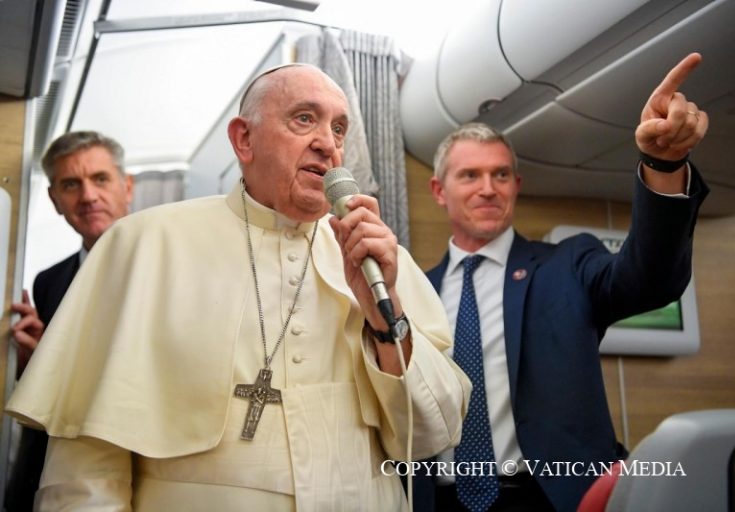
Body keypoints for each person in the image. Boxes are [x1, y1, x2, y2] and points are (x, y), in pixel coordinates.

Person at [6, 63, 471, 511]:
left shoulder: (380, 262)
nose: (327, 143)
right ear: (244, 139)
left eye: (338, 129)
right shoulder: (144, 243)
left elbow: (431, 434)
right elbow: (86, 468)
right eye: (304, 119)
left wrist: (385, 322)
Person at [415, 53, 710, 512]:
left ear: (516, 185)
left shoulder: (568, 264)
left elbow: (650, 280)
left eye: (500, 175)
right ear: (439, 191)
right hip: (438, 499)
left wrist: (664, 165)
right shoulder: (413, 294)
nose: (488, 188)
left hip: (552, 497)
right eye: (470, 175)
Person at [5, 130, 134, 512]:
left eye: (100, 179)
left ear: (127, 187)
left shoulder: (172, 267)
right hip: (55, 474)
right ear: (54, 200)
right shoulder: (48, 281)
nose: (88, 196)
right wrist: (33, 362)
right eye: (71, 184)